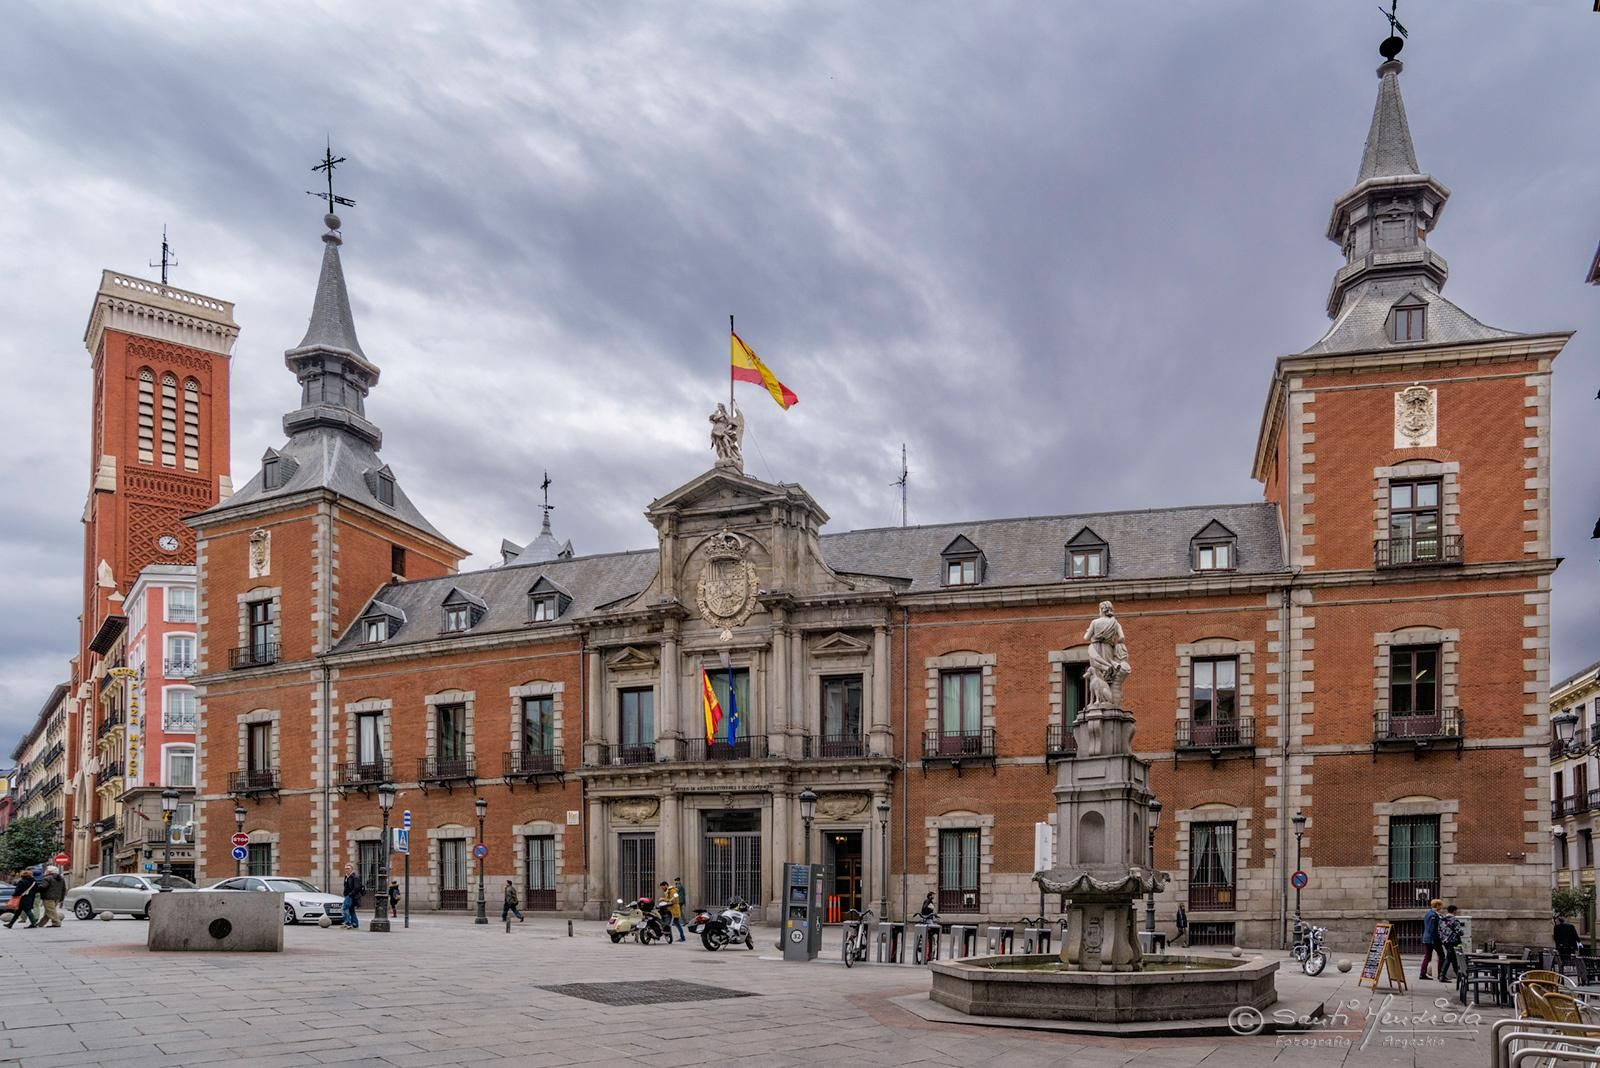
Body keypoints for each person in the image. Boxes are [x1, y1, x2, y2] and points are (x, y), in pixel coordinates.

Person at [1419, 898, 1443, 980]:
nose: (1441, 907)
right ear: (1437, 905)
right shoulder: (1434, 915)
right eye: (1440, 905)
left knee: (1427, 956)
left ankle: (1422, 973)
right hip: (1433, 939)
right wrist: (1437, 939)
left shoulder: (1428, 913)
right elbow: (1433, 929)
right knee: (1442, 956)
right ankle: (1441, 974)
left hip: (1426, 938)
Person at [1438, 904, 1463, 982]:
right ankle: (1442, 975)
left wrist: (1443, 939)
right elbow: (1460, 932)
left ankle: (1459, 976)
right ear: (1454, 911)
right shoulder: (1455, 920)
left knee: (1453, 958)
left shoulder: (1442, 920)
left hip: (1445, 942)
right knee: (1449, 958)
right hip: (1453, 942)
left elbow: (1439, 931)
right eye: (1456, 911)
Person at [341, 865, 363, 930]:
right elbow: (346, 886)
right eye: (345, 869)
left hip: (351, 895)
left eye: (348, 868)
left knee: (345, 908)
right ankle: (355, 924)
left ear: (351, 869)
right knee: (351, 910)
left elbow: (357, 887)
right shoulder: (346, 876)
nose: (346, 870)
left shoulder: (354, 877)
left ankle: (347, 923)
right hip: (348, 895)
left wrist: (350, 894)